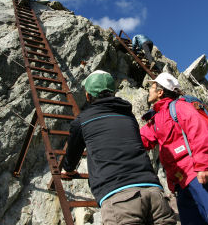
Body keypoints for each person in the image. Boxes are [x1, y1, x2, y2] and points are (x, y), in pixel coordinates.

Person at [63, 70, 176, 225]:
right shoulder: (128, 116)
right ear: (113, 92)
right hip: (154, 191)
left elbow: (72, 154)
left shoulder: (82, 121)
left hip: (119, 198)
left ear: (88, 96)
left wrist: (68, 169)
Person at [140, 72, 208, 225]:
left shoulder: (179, 107)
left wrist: (202, 165)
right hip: (180, 184)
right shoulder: (156, 118)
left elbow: (199, 131)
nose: (149, 90)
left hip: (198, 174)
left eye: (152, 87)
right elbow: (141, 140)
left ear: (160, 92)